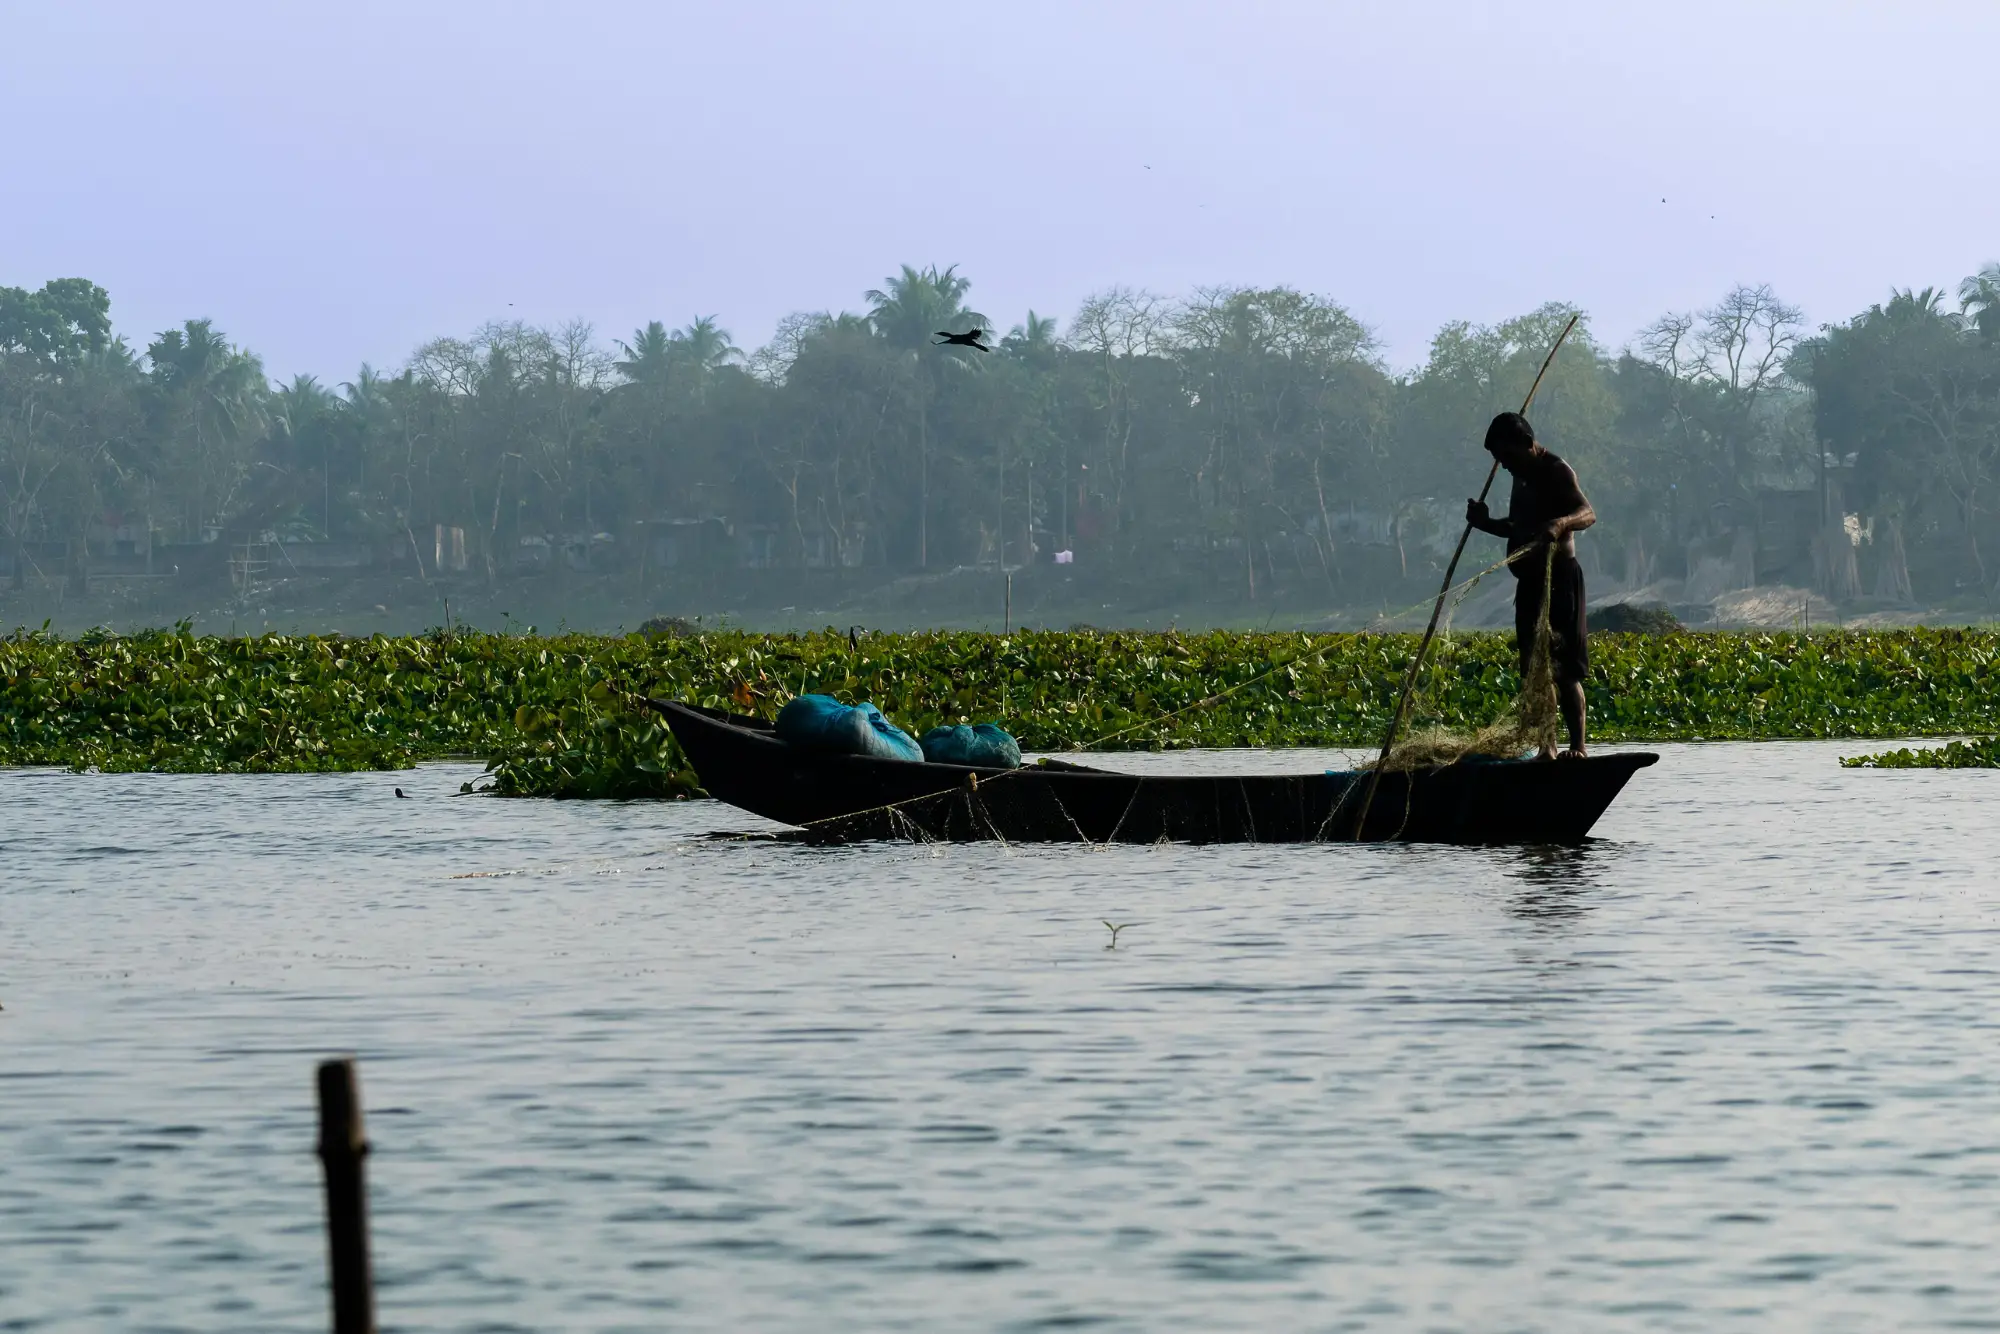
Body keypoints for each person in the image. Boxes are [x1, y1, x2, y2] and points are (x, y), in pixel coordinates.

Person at [1465, 411, 1595, 759]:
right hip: (1530, 584)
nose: (1503, 465)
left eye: (1506, 456)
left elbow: (1587, 512)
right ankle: (1547, 748)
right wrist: (1485, 523)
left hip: (1561, 580)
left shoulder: (1556, 470)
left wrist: (1561, 524)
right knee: (1535, 671)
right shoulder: (1519, 476)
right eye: (1498, 459)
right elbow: (1517, 526)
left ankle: (1578, 747)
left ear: (1526, 444)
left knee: (1563, 670)